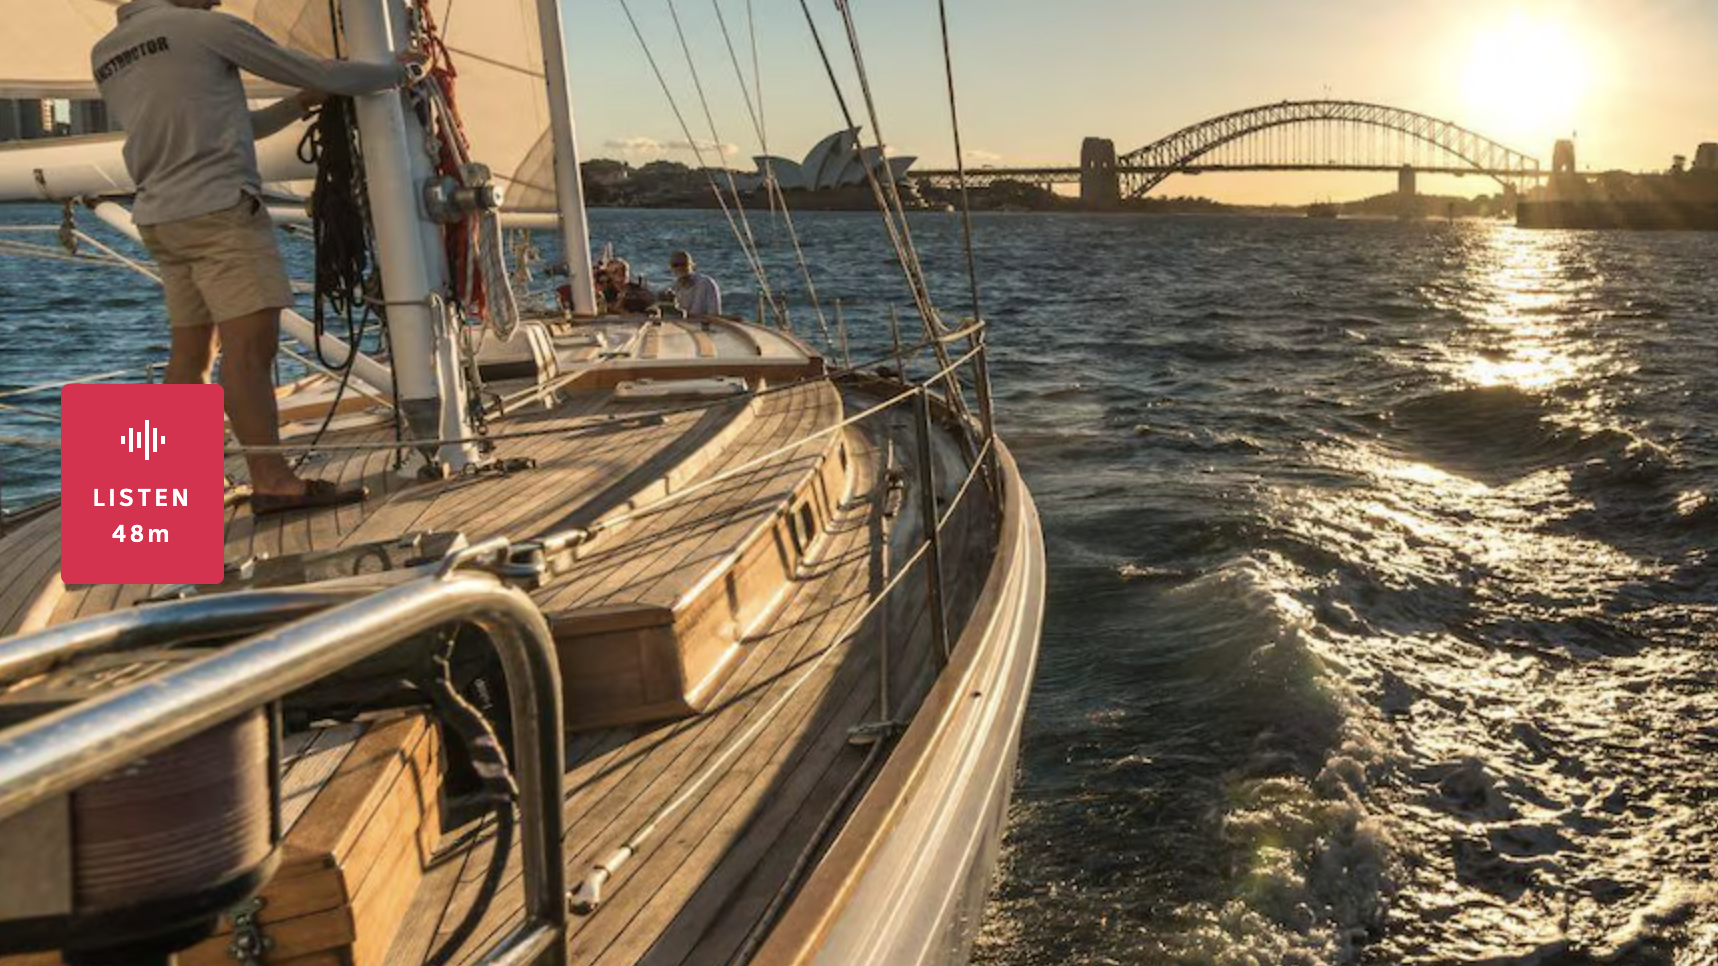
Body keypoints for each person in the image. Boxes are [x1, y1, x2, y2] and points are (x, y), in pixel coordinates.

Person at [92, 0, 420, 514]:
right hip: (220, 212)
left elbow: (224, 122)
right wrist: (403, 72)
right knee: (249, 351)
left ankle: (177, 487)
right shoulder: (205, 28)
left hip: (161, 216)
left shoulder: (108, 52)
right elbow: (315, 70)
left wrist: (297, 105)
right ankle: (273, 482)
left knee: (192, 355)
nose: (219, 0)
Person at [663, 250, 721, 317]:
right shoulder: (672, 289)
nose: (680, 268)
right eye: (675, 265)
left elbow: (714, 314)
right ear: (671, 268)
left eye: (684, 264)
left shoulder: (707, 283)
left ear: (693, 266)